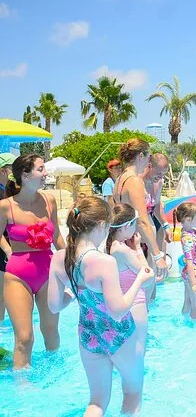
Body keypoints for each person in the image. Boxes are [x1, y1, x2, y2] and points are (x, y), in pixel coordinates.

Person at [48, 197, 153, 415]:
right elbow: (118, 311)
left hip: (88, 337)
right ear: (102, 225)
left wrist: (75, 290)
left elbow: (54, 306)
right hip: (119, 336)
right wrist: (139, 280)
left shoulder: (58, 258)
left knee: (96, 402)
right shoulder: (104, 261)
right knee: (133, 393)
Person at [0, 154, 65, 369]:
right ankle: (22, 384)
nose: (45, 173)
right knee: (25, 338)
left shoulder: (49, 201)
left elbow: (57, 236)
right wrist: (8, 250)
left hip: (48, 273)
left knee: (51, 333)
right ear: (25, 175)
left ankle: (55, 376)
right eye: (40, 169)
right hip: (18, 276)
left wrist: (72, 261)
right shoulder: (5, 206)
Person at [112, 138, 169, 280]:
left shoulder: (120, 179)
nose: (149, 160)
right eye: (149, 156)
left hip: (126, 242)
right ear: (141, 156)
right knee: (146, 290)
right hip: (139, 246)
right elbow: (142, 222)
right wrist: (157, 256)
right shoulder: (134, 181)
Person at [107, 203, 154, 355]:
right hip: (135, 306)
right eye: (135, 223)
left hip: (124, 305)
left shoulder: (111, 246)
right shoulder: (122, 250)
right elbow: (147, 275)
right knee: (139, 353)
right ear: (127, 226)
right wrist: (138, 248)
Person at [141, 153, 173, 254]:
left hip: (150, 225)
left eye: (164, 174)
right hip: (136, 229)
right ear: (149, 166)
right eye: (159, 173)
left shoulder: (159, 182)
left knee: (160, 250)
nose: (161, 177)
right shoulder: (137, 181)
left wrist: (166, 226)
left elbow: (157, 206)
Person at [0, 152, 17, 322]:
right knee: (2, 293)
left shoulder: (8, 188)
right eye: (13, 168)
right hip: (3, 249)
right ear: (3, 170)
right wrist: (8, 250)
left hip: (7, 246)